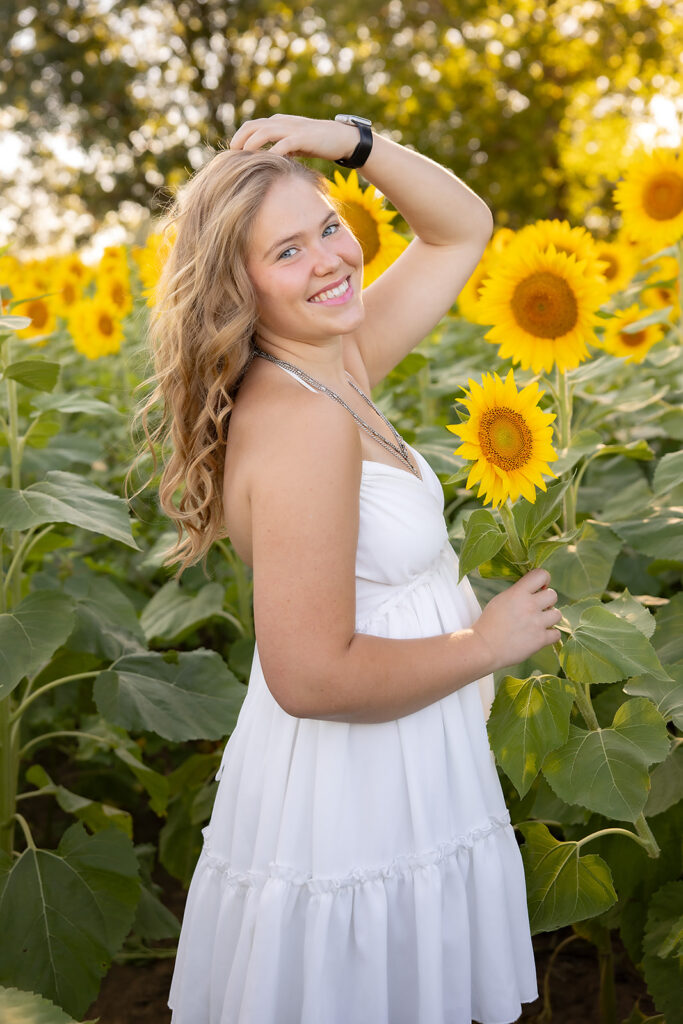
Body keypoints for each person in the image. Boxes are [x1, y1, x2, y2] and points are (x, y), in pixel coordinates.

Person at [142, 113, 562, 1024]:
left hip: (402, 758)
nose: (330, 259)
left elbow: (461, 228)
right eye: (286, 251)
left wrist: (345, 141)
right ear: (237, 285)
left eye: (329, 226)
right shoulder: (303, 420)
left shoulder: (337, 367)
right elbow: (310, 674)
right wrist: (483, 643)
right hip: (358, 788)